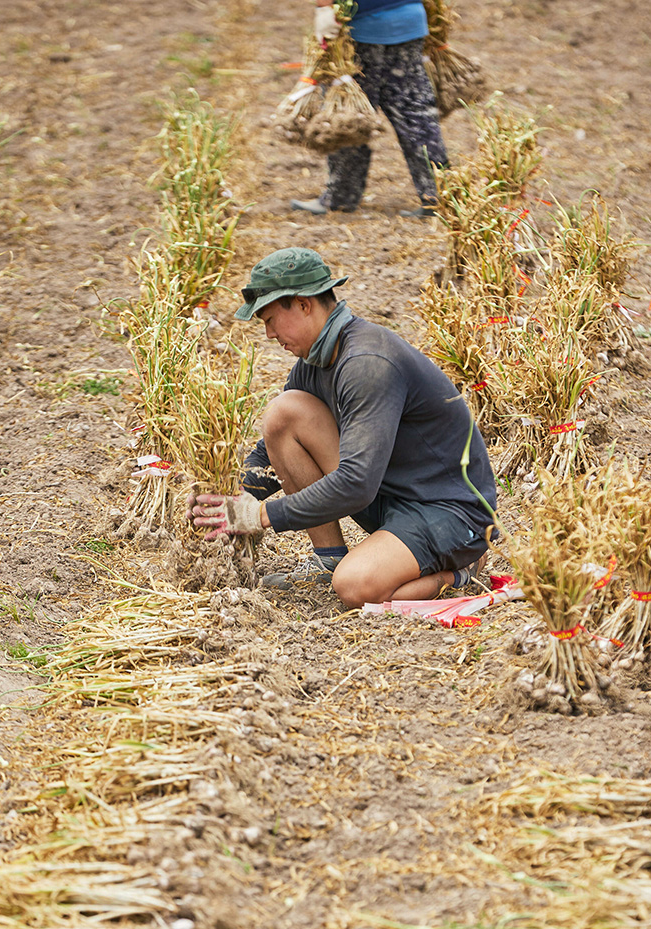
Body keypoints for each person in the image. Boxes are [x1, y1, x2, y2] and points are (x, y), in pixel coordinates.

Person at [188, 247, 498, 608]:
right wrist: (234, 498)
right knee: (283, 414)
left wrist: (258, 516)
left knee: (353, 587)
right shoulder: (316, 360)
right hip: (391, 494)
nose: (269, 334)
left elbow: (356, 483)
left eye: (271, 319)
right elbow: (273, 448)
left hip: (449, 511)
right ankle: (329, 558)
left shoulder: (367, 363)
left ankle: (460, 572)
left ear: (304, 304)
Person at [291, 0, 448, 219]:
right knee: (414, 112)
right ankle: (440, 196)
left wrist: (325, 8)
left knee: (348, 113)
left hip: (362, 28)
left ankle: (340, 198)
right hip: (410, 20)